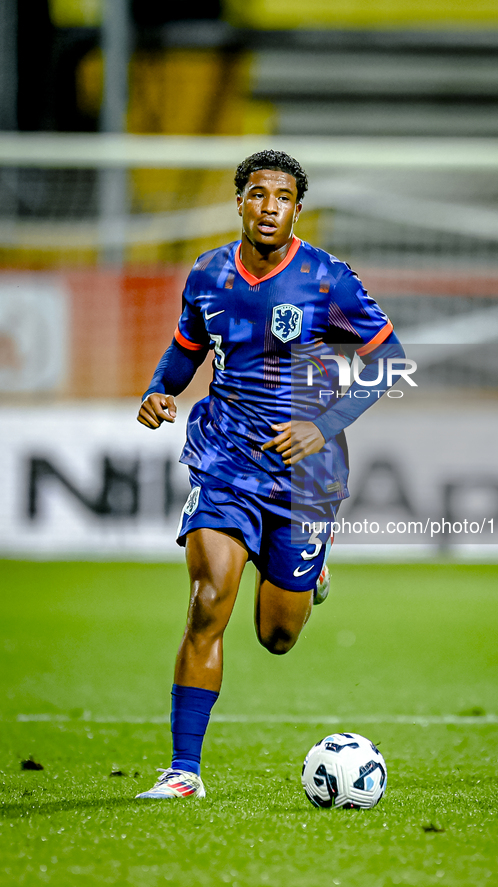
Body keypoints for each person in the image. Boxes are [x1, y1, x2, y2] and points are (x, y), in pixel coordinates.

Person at [135, 150, 404, 800]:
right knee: (206, 604)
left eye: (281, 197)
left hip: (305, 471)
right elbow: (186, 349)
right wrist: (158, 389)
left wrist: (322, 423)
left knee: (276, 635)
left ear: (296, 209)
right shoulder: (207, 276)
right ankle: (183, 772)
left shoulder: (324, 280)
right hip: (224, 460)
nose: (268, 207)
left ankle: (309, 570)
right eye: (257, 194)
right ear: (238, 201)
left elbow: (386, 360)